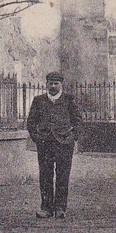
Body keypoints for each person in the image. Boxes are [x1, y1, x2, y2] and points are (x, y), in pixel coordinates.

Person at [26, 70, 82, 219]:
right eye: (50, 83)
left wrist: (73, 137)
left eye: (56, 83)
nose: (53, 86)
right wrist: (37, 138)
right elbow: (31, 122)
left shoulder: (69, 100)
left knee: (63, 175)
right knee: (45, 175)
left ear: (61, 84)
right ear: (46, 84)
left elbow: (78, 120)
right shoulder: (38, 100)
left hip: (64, 143)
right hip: (45, 143)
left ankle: (60, 208)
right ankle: (46, 208)